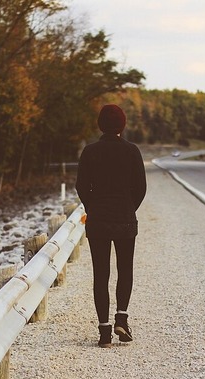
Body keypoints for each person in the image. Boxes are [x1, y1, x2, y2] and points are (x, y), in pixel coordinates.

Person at [75, 104, 147, 348]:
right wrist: (128, 208)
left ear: (100, 125)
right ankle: (122, 319)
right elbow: (141, 188)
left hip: (98, 221)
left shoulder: (90, 152)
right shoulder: (132, 151)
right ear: (122, 125)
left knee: (101, 274)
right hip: (125, 219)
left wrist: (93, 208)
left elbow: (81, 187)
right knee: (125, 270)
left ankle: (104, 332)